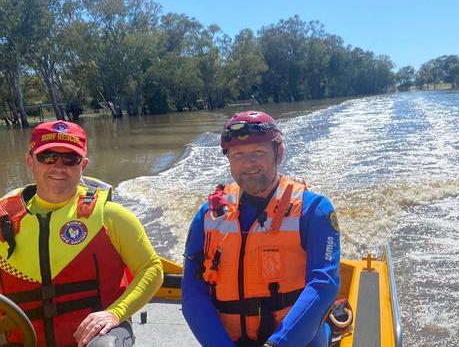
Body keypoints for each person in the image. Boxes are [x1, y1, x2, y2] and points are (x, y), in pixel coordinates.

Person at [182, 111, 341, 347]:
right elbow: (192, 293)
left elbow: (324, 283)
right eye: (238, 154)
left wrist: (278, 344)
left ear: (279, 153)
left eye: (259, 152)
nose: (248, 163)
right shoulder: (207, 215)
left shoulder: (314, 210)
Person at [0, 120, 164, 347]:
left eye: (70, 159)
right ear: (30, 161)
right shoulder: (4, 220)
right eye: (47, 156)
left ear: (83, 165)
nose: (59, 167)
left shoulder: (110, 215)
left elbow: (151, 269)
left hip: (99, 336)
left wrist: (115, 313)